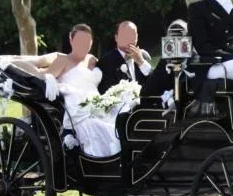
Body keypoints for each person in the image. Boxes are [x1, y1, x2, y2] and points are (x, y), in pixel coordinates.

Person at [41, 24, 121, 157]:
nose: (84, 45)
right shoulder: (63, 60)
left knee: (123, 122)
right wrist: (50, 78)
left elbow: (109, 63)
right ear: (71, 40)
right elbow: (43, 76)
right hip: (79, 110)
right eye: (80, 41)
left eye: (87, 42)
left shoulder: (91, 59)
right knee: (109, 131)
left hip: (99, 106)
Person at [96, 21, 152, 94]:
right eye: (125, 35)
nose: (129, 39)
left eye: (132, 35)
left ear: (137, 37)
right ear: (116, 38)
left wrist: (141, 62)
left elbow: (155, 83)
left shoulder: (143, 56)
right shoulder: (105, 63)